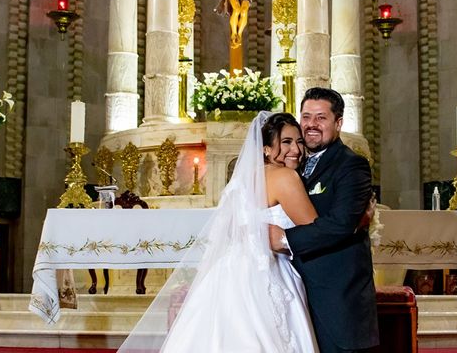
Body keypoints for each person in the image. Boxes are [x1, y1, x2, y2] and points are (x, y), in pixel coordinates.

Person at [117, 111, 320, 352]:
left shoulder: (243, 180)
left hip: (229, 271)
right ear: (265, 148)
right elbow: (316, 230)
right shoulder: (286, 177)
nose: (296, 149)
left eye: (299, 141)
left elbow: (233, 228)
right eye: (286, 142)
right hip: (269, 271)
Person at [270, 87, 380, 352]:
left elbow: (341, 224)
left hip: (337, 295)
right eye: (306, 117)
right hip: (293, 290)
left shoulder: (351, 166)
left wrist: (284, 238)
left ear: (338, 122)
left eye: (321, 118)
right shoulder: (290, 163)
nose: (311, 125)